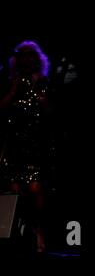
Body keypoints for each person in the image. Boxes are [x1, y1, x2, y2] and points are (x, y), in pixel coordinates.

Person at [0, 40, 55, 254]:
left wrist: (41, 96)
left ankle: (39, 231)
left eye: (30, 55)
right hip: (14, 146)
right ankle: (20, 238)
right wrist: (14, 88)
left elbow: (54, 113)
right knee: (15, 194)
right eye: (22, 55)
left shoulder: (44, 82)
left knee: (36, 191)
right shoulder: (9, 82)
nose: (26, 59)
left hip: (36, 146)